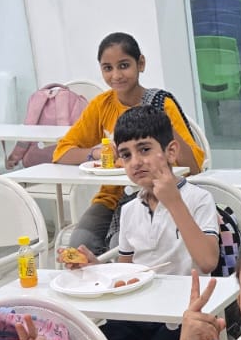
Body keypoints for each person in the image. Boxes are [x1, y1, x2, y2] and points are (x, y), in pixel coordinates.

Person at [90, 107, 219, 340]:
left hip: (183, 314)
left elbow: (207, 260)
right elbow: (126, 271)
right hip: (138, 312)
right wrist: (95, 268)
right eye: (126, 155)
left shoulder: (198, 199)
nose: (136, 162)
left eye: (145, 149)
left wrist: (173, 201)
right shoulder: (129, 210)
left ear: (171, 152)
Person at [53, 32, 205, 255]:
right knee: (80, 243)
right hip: (111, 197)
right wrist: (99, 153)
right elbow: (61, 152)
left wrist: (161, 121)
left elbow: (193, 167)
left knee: (123, 244)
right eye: (107, 68)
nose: (116, 75)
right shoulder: (101, 105)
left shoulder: (160, 103)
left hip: (155, 193)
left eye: (124, 65)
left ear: (140, 64)